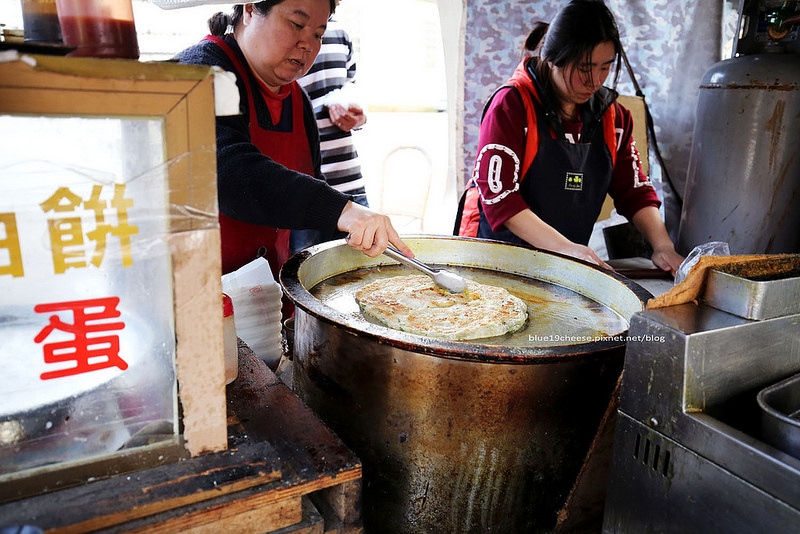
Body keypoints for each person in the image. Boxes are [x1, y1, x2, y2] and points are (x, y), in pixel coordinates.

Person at [174, 0, 411, 284]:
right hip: (195, 294)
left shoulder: (298, 101)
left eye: (318, 34)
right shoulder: (197, 71)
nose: (307, 45)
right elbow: (225, 172)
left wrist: (357, 240)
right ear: (249, 9)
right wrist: (343, 210)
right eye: (297, 24)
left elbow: (309, 213)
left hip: (267, 297)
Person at [455, 0, 683, 275]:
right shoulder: (512, 105)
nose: (595, 81)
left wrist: (663, 246)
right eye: (584, 68)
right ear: (552, 58)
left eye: (605, 67)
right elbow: (500, 198)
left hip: (563, 264)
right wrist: (566, 248)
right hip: (496, 258)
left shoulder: (614, 118)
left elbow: (634, 190)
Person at [291, 0, 368, 253]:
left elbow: (352, 87)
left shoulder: (341, 34)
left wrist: (358, 118)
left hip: (349, 182)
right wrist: (324, 105)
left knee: (364, 269)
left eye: (317, 34)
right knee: (304, 275)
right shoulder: (284, 34)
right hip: (305, 188)